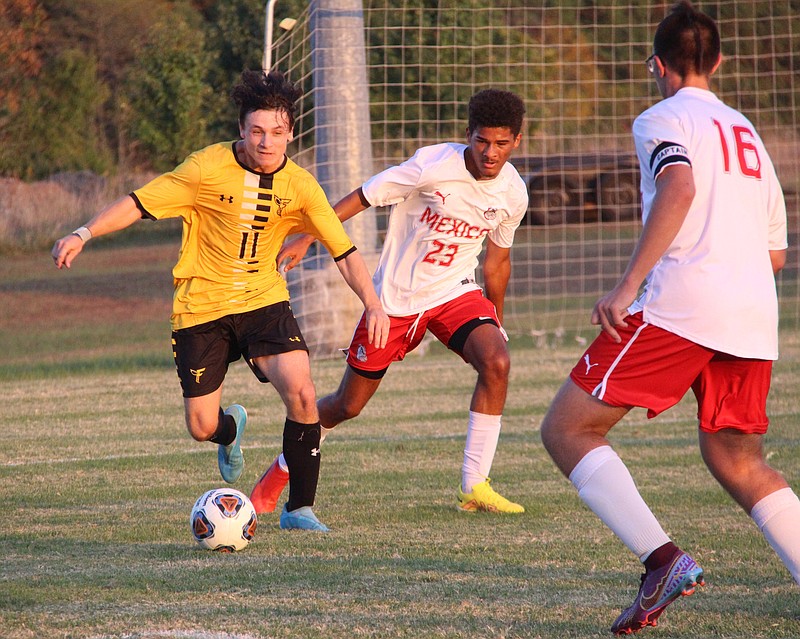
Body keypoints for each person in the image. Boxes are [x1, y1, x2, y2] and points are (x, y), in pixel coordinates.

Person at [539, 1, 800, 634]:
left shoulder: (661, 117)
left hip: (685, 304)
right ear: (719, 62)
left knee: (568, 430)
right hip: (754, 312)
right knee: (738, 458)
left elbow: (678, 187)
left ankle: (663, 561)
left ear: (657, 65)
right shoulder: (749, 134)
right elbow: (776, 252)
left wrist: (628, 286)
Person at [51, 69, 389, 533]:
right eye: (256, 131)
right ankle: (229, 431)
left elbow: (344, 252)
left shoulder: (302, 187)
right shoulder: (204, 169)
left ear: (291, 133)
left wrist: (372, 303)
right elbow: (137, 202)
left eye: (276, 132)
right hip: (200, 309)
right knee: (200, 426)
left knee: (304, 393)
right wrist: (82, 232)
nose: (266, 142)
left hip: (263, 301)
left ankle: (299, 509)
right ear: (241, 131)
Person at [248, 88, 529, 516]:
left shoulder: (513, 193)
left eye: (502, 143)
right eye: (482, 141)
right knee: (347, 405)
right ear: (468, 134)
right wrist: (309, 236)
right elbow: (363, 196)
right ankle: (282, 468)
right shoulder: (432, 165)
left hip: (454, 293)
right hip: (395, 302)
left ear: (517, 141)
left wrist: (496, 320)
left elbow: (498, 262)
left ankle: (474, 484)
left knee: (498, 363)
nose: (491, 153)